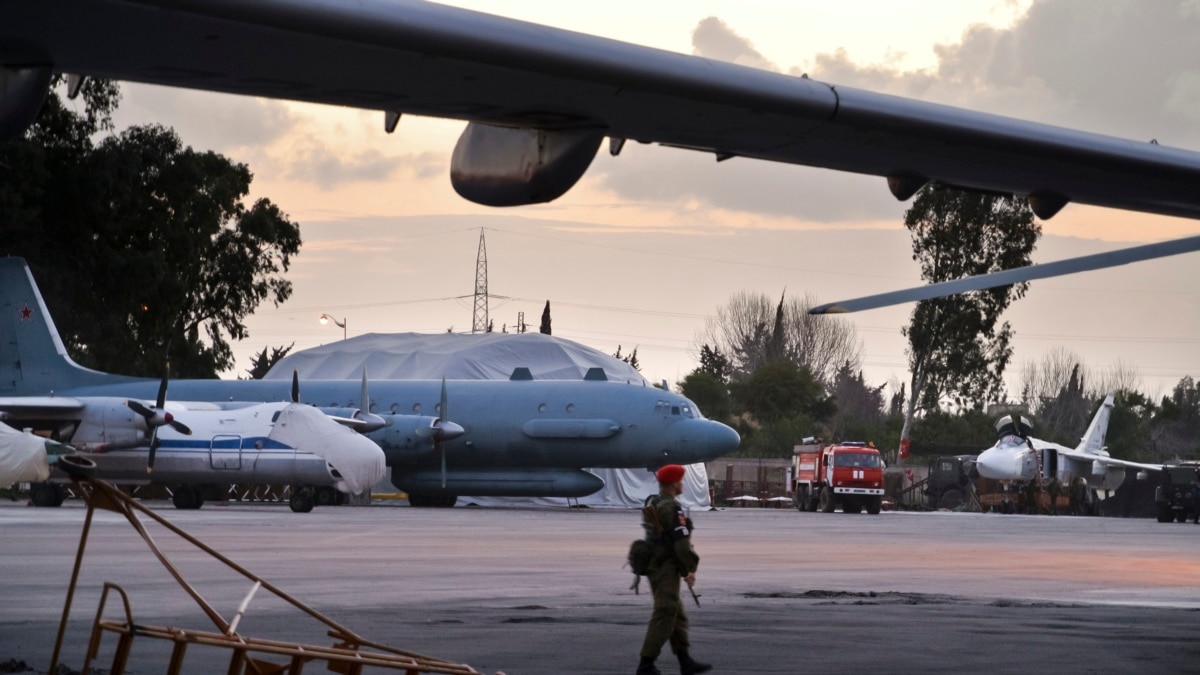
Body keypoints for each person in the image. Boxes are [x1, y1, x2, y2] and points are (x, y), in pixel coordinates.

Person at [637, 464, 712, 675]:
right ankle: (646, 664)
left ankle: (685, 661)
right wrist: (690, 568)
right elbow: (681, 543)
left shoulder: (654, 502)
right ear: (672, 484)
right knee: (665, 612)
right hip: (666, 569)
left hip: (655, 565)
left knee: (676, 615)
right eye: (680, 480)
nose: (682, 483)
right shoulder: (672, 508)